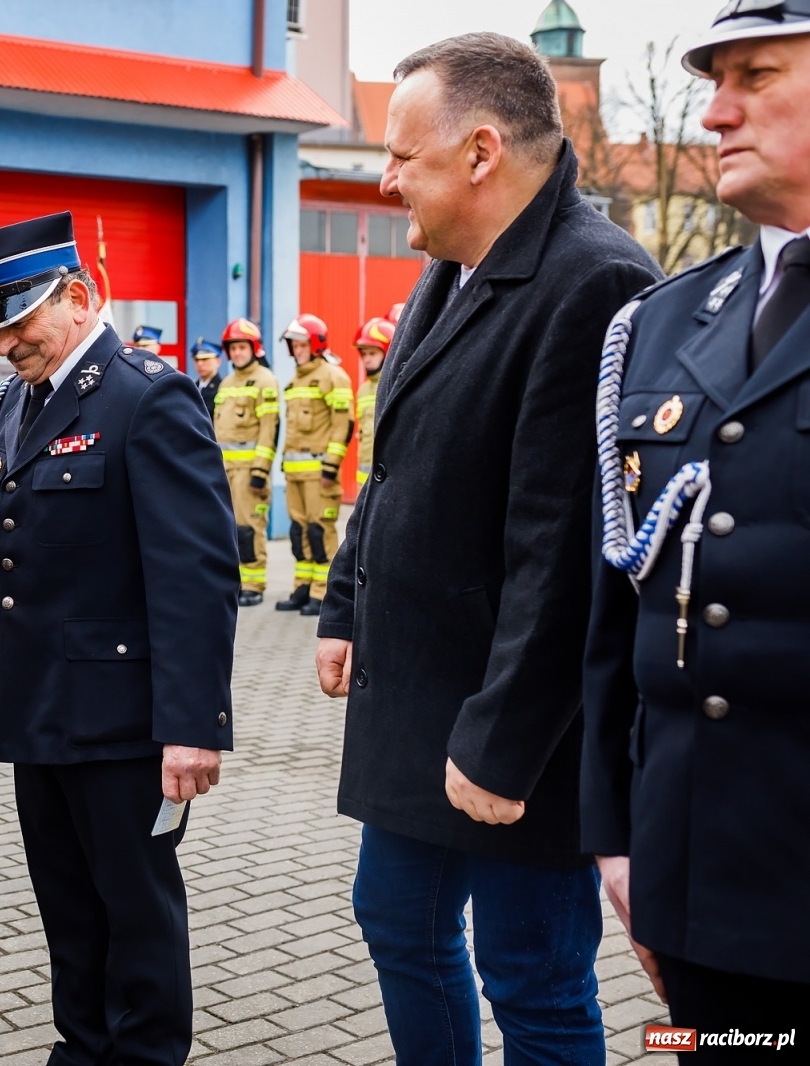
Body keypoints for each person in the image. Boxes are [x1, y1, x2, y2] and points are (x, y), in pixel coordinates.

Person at [312, 33, 661, 1064]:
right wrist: (342, 605)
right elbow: (394, 462)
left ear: (477, 151)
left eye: (399, 157)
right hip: (418, 700)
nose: (383, 181)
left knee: (533, 979)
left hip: (523, 731)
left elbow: (565, 548)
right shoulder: (453, 267)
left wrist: (502, 741)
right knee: (398, 925)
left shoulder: (594, 283)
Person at [0, 211, 236, 1066]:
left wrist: (195, 725)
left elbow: (196, 576)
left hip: (125, 725)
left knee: (136, 914)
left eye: (20, 321)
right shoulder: (18, 399)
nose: (6, 343)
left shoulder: (147, 394)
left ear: (79, 296)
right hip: (38, 713)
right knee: (69, 911)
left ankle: (145, 1054)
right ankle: (82, 1048)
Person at [581, 3, 810, 1043]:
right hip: (693, 877)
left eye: (756, 75)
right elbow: (614, 611)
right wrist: (619, 838)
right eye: (712, 80)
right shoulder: (666, 318)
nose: (714, 113)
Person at [273, 313, 352, 616]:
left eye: (302, 344)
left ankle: (324, 593)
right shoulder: (296, 379)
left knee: (320, 532)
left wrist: (331, 465)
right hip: (295, 473)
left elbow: (342, 423)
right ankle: (302, 587)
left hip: (320, 474)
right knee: (299, 533)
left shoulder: (333, 376)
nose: (297, 349)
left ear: (316, 344)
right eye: (294, 345)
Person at [211, 318, 281, 605]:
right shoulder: (226, 383)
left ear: (254, 349)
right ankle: (236, 582)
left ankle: (254, 584)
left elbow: (269, 428)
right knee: (226, 530)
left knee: (249, 528)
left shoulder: (266, 380)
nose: (237, 353)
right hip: (224, 471)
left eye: (242, 347)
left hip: (248, 472)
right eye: (233, 348)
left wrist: (260, 471)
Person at [352, 317, 394, 489]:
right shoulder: (363, 390)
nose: (366, 359)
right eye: (364, 354)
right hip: (364, 478)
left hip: (389, 482)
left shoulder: (395, 386)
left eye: (372, 353)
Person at [190, 337, 223, 413]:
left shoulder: (223, 387)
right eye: (196, 360)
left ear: (218, 361)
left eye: (205, 359)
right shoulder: (192, 386)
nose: (200, 364)